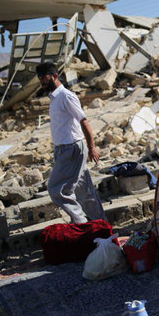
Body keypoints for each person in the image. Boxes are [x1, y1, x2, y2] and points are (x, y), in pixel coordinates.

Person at [36, 61, 107, 224]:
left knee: (57, 189)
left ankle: (80, 222)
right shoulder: (54, 98)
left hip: (72, 149)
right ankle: (101, 225)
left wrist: (92, 147)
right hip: (63, 149)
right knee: (85, 192)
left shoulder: (66, 96)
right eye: (40, 79)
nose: (42, 82)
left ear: (54, 76)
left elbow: (84, 121)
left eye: (44, 78)